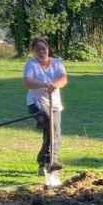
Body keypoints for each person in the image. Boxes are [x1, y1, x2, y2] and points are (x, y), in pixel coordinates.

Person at [22, 38, 68, 174]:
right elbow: (27, 82)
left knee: (54, 133)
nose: (41, 52)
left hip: (54, 104)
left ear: (48, 49)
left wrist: (54, 85)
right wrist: (44, 84)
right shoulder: (31, 64)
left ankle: (44, 162)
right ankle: (51, 161)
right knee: (50, 126)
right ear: (33, 51)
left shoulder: (57, 62)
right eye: (38, 50)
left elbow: (63, 79)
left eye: (43, 48)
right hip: (36, 103)